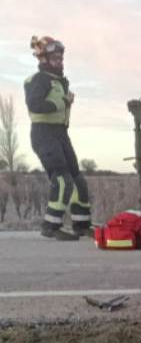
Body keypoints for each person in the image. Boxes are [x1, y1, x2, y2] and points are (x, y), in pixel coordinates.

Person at [24, 35, 92, 240]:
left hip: (61, 133)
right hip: (43, 133)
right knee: (62, 180)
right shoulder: (39, 80)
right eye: (55, 58)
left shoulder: (59, 81)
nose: (60, 62)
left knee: (78, 180)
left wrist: (65, 102)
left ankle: (81, 225)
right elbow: (35, 105)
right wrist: (63, 102)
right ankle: (50, 226)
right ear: (43, 59)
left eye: (61, 58)